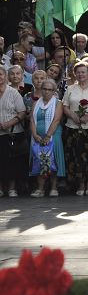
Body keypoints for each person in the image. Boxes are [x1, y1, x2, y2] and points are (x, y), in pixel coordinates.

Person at [62, 60, 88, 195]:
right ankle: (80, 183)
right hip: (72, 127)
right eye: (78, 72)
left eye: (83, 72)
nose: (80, 74)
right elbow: (65, 106)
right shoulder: (70, 89)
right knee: (76, 156)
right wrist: (73, 115)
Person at [29, 77, 65, 197]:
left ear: (54, 91)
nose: (46, 91)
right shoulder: (36, 103)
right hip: (37, 137)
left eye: (50, 89)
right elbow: (32, 120)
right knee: (39, 160)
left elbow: (56, 120)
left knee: (52, 160)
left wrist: (48, 136)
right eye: (44, 89)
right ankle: (40, 188)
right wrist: (35, 135)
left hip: (53, 135)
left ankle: (54, 187)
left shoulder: (58, 103)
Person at [0, 66, 28, 197]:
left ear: (5, 76)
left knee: (12, 162)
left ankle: (12, 188)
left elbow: (22, 112)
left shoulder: (13, 93)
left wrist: (8, 123)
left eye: (1, 74)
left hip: (13, 133)